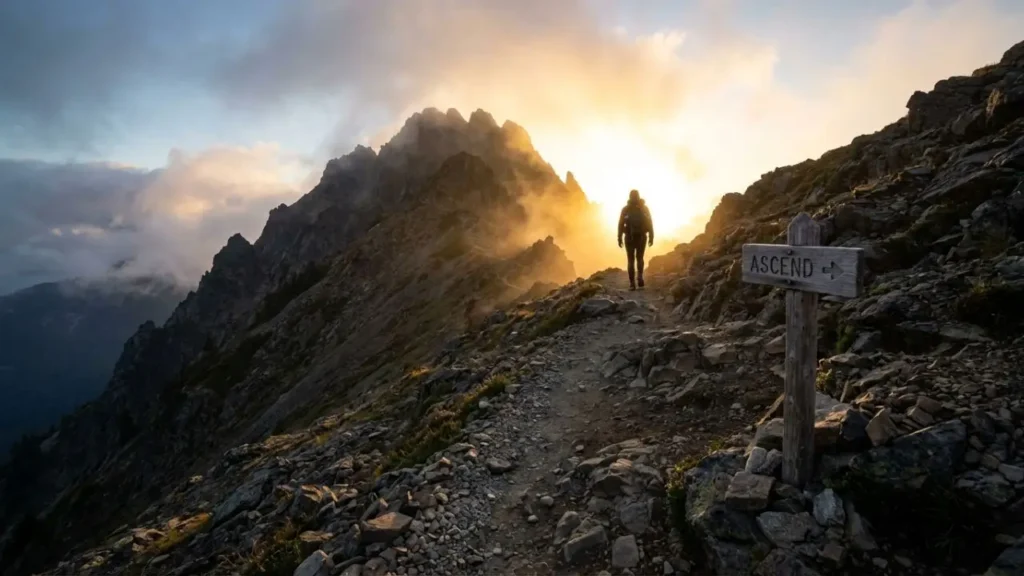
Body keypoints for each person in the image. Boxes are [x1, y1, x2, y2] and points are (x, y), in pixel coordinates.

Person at [617, 189, 654, 290]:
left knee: (630, 260)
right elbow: (650, 223)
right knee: (640, 258)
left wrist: (619, 237)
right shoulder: (644, 208)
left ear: (629, 197)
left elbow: (620, 224)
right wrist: (651, 236)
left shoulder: (625, 209)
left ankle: (632, 283)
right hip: (642, 237)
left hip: (629, 237)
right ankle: (640, 277)